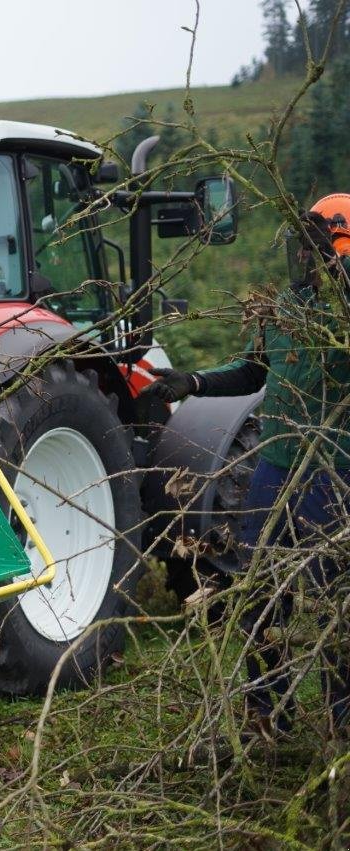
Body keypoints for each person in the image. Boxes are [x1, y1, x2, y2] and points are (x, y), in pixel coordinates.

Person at [143, 194, 350, 735]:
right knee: (260, 586)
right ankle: (267, 706)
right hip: (275, 467)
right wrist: (195, 383)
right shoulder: (286, 307)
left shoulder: (343, 317)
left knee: (335, 597)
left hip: (334, 473)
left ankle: (342, 715)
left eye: (314, 250)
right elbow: (254, 371)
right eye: (299, 251)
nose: (302, 260)